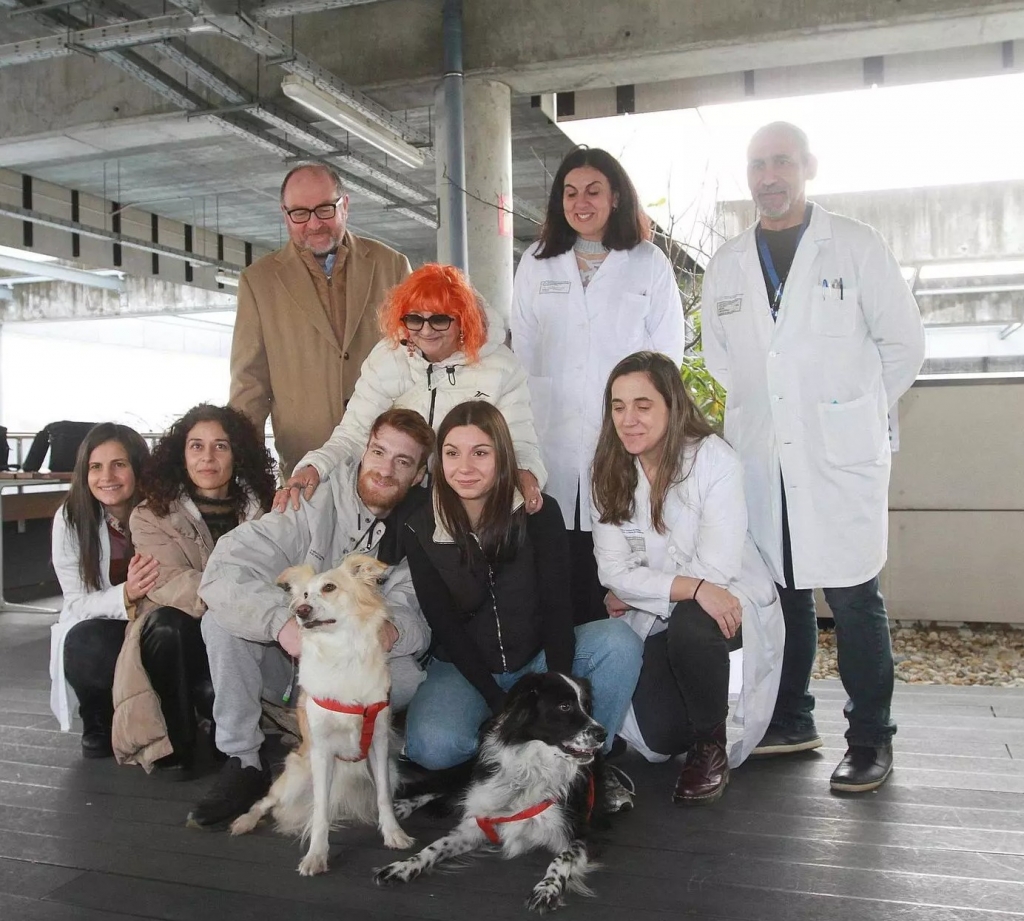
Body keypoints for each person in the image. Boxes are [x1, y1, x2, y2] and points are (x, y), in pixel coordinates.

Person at [700, 121, 925, 793]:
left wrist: (850, 415)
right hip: (764, 459)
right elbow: (722, 357)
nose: (769, 175)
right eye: (757, 164)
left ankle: (870, 738)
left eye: (781, 162)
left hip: (838, 460)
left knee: (855, 596)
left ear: (807, 167)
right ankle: (790, 717)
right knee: (784, 591)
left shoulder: (855, 246)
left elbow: (903, 346)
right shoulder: (728, 263)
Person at [187, 408, 435, 829]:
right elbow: (223, 571)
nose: (385, 469)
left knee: (407, 676)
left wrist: (390, 631)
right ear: (363, 451)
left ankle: (343, 748)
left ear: (417, 475)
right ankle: (243, 759)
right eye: (379, 452)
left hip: (356, 675)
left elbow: (417, 618)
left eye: (403, 461)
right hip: (289, 671)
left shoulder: (422, 524)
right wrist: (282, 627)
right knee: (221, 623)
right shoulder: (308, 502)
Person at [401, 401, 643, 795]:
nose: (465, 467)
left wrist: (558, 689)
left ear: (502, 457)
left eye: (480, 453)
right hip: (465, 667)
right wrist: (499, 701)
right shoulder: (419, 525)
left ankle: (588, 761)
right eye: (451, 453)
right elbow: (442, 621)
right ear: (437, 460)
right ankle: (515, 751)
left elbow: (556, 605)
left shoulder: (538, 513)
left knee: (619, 643)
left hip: (538, 658)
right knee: (434, 748)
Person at [590, 352, 785, 805]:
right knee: (660, 740)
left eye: (643, 405)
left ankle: (710, 747)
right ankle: (689, 731)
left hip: (729, 599)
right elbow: (612, 572)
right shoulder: (607, 467)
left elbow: (714, 572)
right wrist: (669, 587)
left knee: (693, 623)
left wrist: (645, 589)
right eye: (618, 406)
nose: (629, 419)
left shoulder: (714, 461)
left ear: (672, 406)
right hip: (665, 607)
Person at [511, 145, 686, 625]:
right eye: (569, 192)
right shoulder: (536, 261)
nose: (580, 202)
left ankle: (616, 682)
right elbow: (521, 354)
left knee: (615, 569)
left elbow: (667, 357)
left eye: (593, 191)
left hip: (623, 436)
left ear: (616, 199)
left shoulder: (648, 262)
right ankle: (561, 688)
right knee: (556, 565)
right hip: (552, 439)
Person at [280, 262, 546, 513]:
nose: (426, 331)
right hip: (399, 502)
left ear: (464, 320)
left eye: (440, 319)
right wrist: (314, 467)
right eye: (415, 319)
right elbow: (353, 435)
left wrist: (526, 474)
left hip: (469, 504)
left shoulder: (501, 367)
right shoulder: (386, 357)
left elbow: (519, 442)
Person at [112, 405, 276, 772]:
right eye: (196, 446)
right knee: (167, 624)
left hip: (245, 629)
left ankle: (230, 724)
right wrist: (235, 597)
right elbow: (169, 579)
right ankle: (177, 740)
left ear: (238, 455)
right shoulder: (150, 514)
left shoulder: (266, 512)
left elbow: (274, 574)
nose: (207, 457)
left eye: (220, 446)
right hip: (184, 627)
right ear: (180, 455)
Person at [230, 163, 412, 477]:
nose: (314, 224)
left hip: (390, 464)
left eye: (325, 209)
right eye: (299, 213)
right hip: (305, 466)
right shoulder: (258, 282)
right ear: (284, 214)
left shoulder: (392, 266)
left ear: (345, 205)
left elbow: (419, 361)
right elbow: (250, 387)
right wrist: (245, 474)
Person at [48, 424, 155, 757]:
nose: (106, 476)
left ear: (138, 467)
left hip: (154, 617)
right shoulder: (70, 518)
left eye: (119, 464)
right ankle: (96, 713)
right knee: (84, 641)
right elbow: (77, 602)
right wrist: (127, 594)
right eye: (95, 466)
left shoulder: (162, 511)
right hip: (107, 624)